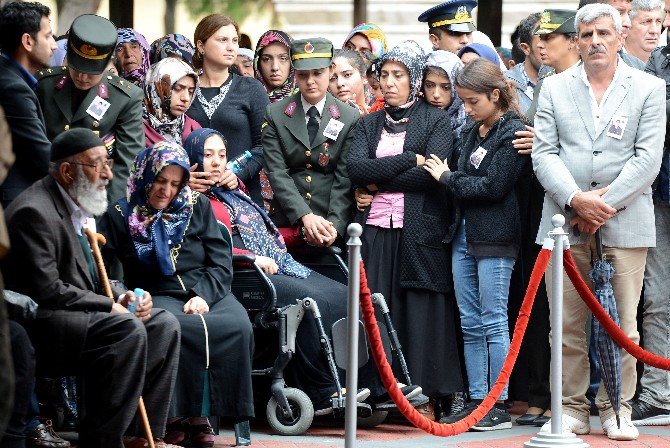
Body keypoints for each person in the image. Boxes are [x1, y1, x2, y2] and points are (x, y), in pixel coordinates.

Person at [182, 127, 387, 415]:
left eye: (222, 155)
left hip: (275, 263)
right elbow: (207, 249)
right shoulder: (189, 201)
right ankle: (323, 390)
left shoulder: (234, 193)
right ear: (191, 159)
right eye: (207, 155)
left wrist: (303, 233)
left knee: (348, 295)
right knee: (314, 303)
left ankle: (373, 386)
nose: (216, 162)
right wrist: (251, 257)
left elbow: (267, 235)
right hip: (240, 274)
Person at [532, 4, 665, 440]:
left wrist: (601, 207)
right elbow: (544, 153)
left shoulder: (648, 87)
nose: (595, 42)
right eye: (586, 34)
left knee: (623, 324)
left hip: (626, 222)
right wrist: (575, 200)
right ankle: (569, 408)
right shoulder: (553, 87)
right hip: (563, 223)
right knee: (566, 324)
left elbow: (648, 159)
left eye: (603, 33)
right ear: (576, 40)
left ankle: (616, 408)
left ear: (619, 36)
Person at [2, 128, 181, 448]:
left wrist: (122, 295)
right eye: (98, 166)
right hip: (43, 323)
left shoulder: (78, 204)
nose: (108, 174)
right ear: (68, 171)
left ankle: (141, 436)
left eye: (108, 164)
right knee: (124, 328)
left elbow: (89, 277)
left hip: (76, 313)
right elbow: (48, 289)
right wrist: (106, 305)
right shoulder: (34, 210)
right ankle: (102, 440)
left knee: (164, 324)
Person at [99, 141, 254, 447]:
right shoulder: (121, 212)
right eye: (159, 180)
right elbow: (104, 266)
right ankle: (173, 416)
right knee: (177, 327)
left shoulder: (197, 205)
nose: (166, 191)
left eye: (175, 184)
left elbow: (221, 262)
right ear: (146, 175)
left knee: (237, 326)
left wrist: (204, 295)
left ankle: (202, 416)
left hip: (209, 289)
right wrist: (124, 295)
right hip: (156, 292)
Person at [347, 40, 463, 421]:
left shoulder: (436, 119)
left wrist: (380, 180)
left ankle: (424, 393)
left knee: (420, 313)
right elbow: (357, 169)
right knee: (377, 310)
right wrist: (402, 162)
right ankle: (380, 392)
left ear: (413, 78)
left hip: (420, 231)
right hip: (377, 228)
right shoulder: (367, 123)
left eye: (399, 75)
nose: (391, 82)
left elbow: (430, 176)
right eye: (384, 75)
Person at [422, 58, 529, 431]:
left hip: (496, 236)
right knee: (470, 322)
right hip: (464, 235)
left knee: (494, 320)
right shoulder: (473, 130)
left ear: (495, 95)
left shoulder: (513, 131)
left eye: (471, 102)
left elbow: (493, 187)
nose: (465, 109)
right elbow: (472, 180)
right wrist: (457, 178)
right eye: (463, 102)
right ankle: (476, 397)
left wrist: (449, 178)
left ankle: (497, 401)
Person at [36, 14, 145, 205]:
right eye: (77, 67)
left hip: (96, 193)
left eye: (91, 71)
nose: (82, 76)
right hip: (46, 190)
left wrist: (104, 209)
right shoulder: (45, 85)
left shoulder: (125, 97)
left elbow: (127, 162)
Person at [262, 38, 358, 246]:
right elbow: (277, 172)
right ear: (294, 73)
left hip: (331, 224)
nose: (310, 81)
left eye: (318, 73)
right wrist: (304, 215)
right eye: (303, 75)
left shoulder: (349, 117)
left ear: (331, 70)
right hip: (289, 221)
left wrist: (333, 226)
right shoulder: (276, 114)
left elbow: (344, 179)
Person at [631, 0, 670, 427]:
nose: (656, 29)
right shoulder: (658, 62)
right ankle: (659, 392)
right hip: (659, 192)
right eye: (649, 21)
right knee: (657, 298)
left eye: (660, 21)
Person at [186, 14, 270, 207]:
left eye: (234, 41)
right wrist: (183, 175)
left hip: (241, 196)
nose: (232, 47)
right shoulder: (185, 89)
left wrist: (238, 174)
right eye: (223, 40)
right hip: (192, 197)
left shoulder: (251, 88)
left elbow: (265, 145)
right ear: (201, 46)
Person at [0, 1, 56, 208]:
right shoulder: (13, 89)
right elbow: (41, 156)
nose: (54, 45)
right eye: (48, 35)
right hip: (15, 205)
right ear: (27, 41)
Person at [526, 9, 580, 121]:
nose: (539, 45)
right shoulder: (545, 80)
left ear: (573, 41)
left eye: (548, 38)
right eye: (540, 38)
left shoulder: (589, 78)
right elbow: (529, 122)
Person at [143, 57, 201, 146]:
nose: (186, 98)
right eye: (178, 89)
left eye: (191, 92)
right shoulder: (132, 128)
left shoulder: (194, 129)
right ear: (158, 87)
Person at [579, 0, 647, 69]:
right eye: (618, 13)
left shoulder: (638, 68)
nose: (628, 24)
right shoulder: (569, 75)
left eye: (629, 14)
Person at [505, 13, 542, 113]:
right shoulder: (503, 85)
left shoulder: (569, 81)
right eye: (543, 39)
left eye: (553, 39)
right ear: (526, 48)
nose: (549, 46)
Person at [329, 49, 370, 114]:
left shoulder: (381, 113)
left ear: (364, 77)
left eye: (347, 75)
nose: (339, 83)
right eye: (332, 78)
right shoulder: (322, 118)